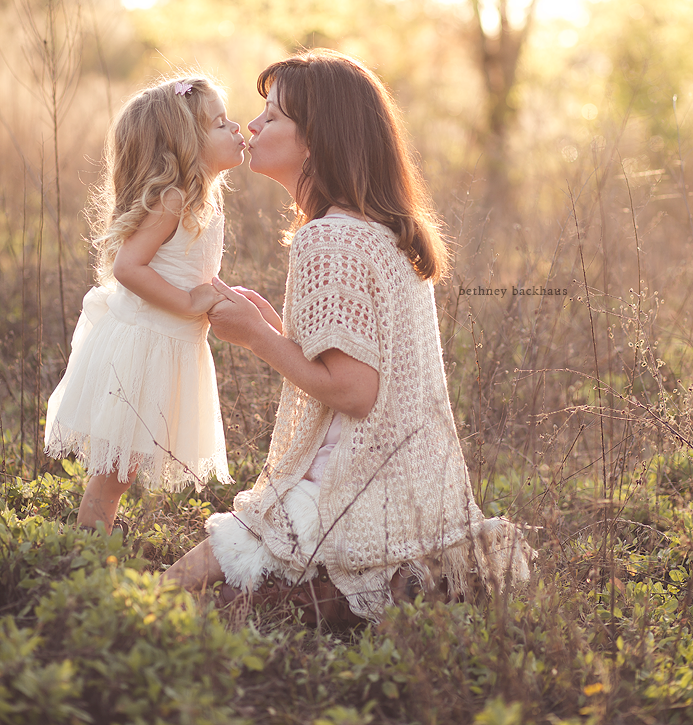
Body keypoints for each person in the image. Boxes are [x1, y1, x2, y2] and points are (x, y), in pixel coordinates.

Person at [163, 51, 532, 623]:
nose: (253, 126)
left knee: (174, 593)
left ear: (317, 142)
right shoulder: (376, 231)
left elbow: (355, 393)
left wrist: (259, 339)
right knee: (211, 593)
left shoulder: (329, 240)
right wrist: (280, 330)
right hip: (406, 490)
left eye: (274, 116)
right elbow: (362, 369)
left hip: (347, 490)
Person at [45, 74, 245, 533]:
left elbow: (187, 268)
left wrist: (216, 295)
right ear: (184, 144)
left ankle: (92, 544)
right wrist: (188, 301)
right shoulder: (172, 199)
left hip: (170, 343)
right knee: (114, 473)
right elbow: (129, 268)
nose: (237, 129)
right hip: (144, 345)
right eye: (220, 123)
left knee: (125, 467)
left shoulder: (201, 201)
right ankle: (84, 552)